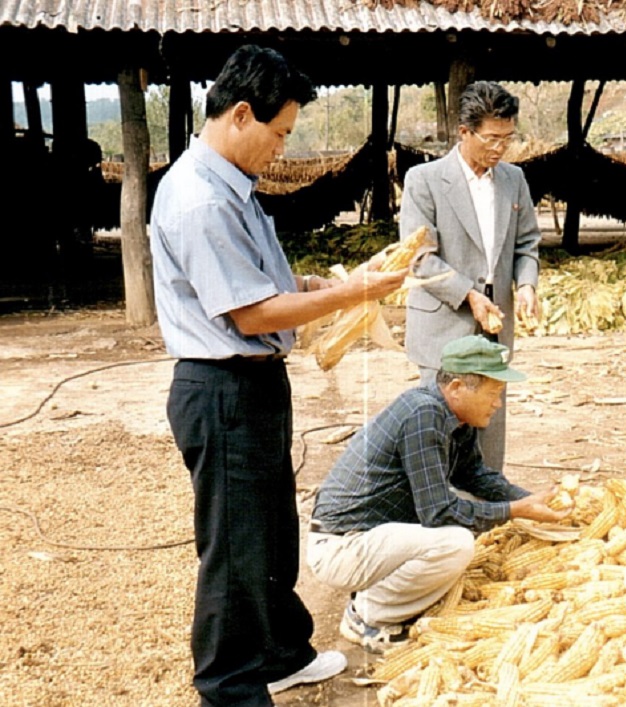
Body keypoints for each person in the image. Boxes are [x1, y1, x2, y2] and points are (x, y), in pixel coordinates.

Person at [149, 44, 407, 707]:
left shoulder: (231, 188)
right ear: (241, 115)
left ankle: (281, 653)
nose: (282, 148)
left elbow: (261, 283)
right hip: (220, 388)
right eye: (281, 132)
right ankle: (229, 686)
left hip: (256, 384)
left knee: (269, 529)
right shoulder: (199, 198)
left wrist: (311, 284)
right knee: (235, 548)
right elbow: (254, 310)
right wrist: (353, 294)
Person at [307, 335, 567, 654]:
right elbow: (438, 512)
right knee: (455, 543)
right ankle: (366, 616)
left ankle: (378, 597)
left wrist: (529, 498)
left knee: (468, 516)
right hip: (340, 546)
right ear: (457, 388)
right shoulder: (423, 414)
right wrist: (516, 510)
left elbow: (474, 475)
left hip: (371, 538)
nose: (498, 403)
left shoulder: (456, 417)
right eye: (493, 393)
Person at [399, 80, 542, 473]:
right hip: (445, 329)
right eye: (491, 139)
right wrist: (469, 296)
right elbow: (419, 258)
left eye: (507, 139)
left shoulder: (513, 180)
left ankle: (490, 517)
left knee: (489, 425)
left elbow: (527, 242)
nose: (499, 149)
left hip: (493, 331)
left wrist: (526, 284)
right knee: (440, 427)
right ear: (464, 132)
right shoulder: (424, 181)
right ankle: (441, 519)